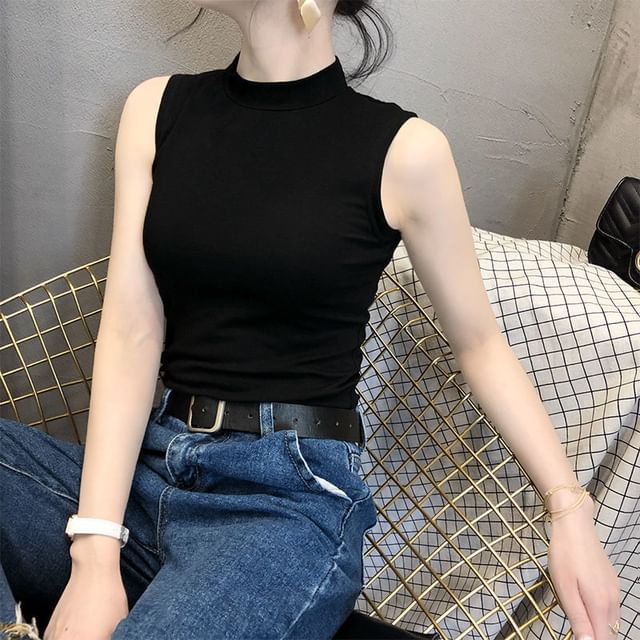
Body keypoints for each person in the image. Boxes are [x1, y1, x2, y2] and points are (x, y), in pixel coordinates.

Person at [0, 1, 621, 639]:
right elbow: (132, 331)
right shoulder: (155, 109)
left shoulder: (406, 151)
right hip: (150, 470)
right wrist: (96, 550)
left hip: (284, 504)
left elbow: (480, 344)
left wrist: (568, 509)